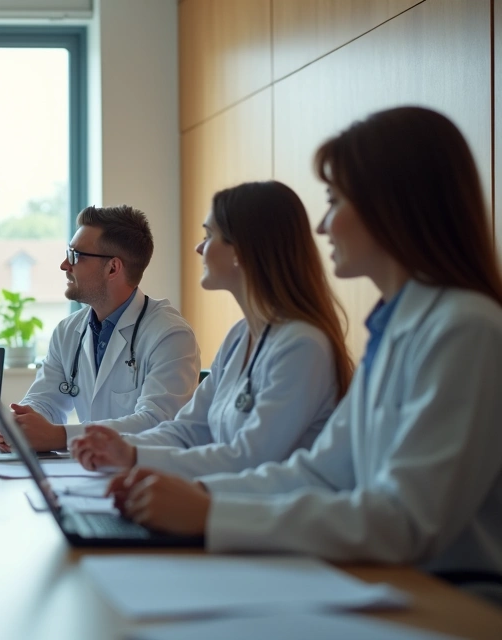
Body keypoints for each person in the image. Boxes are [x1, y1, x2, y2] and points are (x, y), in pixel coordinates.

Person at [106, 107, 502, 600]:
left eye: (334, 201)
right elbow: (319, 473)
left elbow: (405, 520)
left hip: (452, 599)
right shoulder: (398, 326)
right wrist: (202, 497)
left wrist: (211, 512)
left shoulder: (465, 329)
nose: (322, 225)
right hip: (389, 581)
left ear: (393, 206)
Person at [70, 182, 353, 478]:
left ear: (241, 250)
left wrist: (132, 456)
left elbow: (247, 458)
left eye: (209, 235)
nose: (199, 247)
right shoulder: (240, 336)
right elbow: (187, 430)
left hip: (267, 514)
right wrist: (119, 449)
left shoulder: (302, 347)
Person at [0, 205, 200, 453]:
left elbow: (158, 424)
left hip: (147, 478)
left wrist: (61, 437)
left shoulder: (170, 335)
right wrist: (19, 425)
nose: (64, 265)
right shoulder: (68, 331)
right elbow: (46, 401)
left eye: (75, 255)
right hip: (87, 471)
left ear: (112, 268)